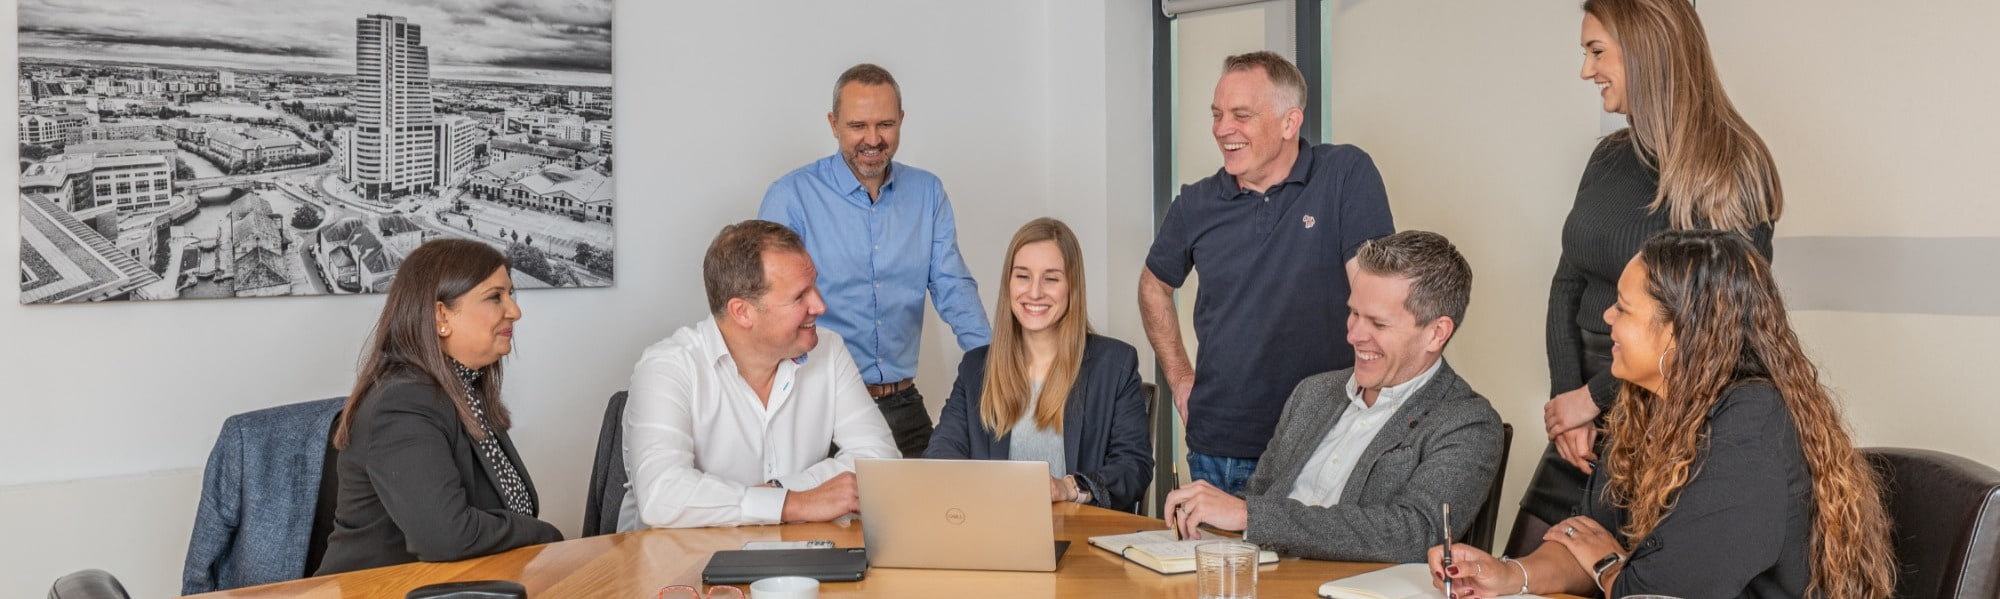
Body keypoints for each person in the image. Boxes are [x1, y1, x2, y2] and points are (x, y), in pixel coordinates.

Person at [1431, 230, 1893, 599]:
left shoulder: (1754, 422)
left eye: (1624, 309)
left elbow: (1656, 591)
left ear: (1679, 332)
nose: (1607, 317)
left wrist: (1611, 565)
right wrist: (1508, 575)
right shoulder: (1647, 404)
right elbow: (1584, 538)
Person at [1524, 0, 1785, 551]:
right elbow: (1567, 281)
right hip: (1583, 421)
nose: (1586, 70)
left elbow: (1715, 327)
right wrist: (1567, 402)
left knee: (1623, 575)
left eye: (1597, 52)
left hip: (1662, 411)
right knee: (1516, 570)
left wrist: (1593, 399)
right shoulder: (1607, 156)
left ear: (1645, 51)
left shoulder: (1731, 167)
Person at [1140, 51, 1394, 494]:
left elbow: (1374, 291)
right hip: (1222, 448)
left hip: (1325, 439)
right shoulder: (1194, 204)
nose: (1222, 129)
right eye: (1217, 115)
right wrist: (1180, 378)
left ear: (1290, 122)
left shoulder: (1343, 174)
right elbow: (1153, 286)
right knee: (1222, 567)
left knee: (1322, 566)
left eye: (1242, 115)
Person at [1162, 231, 1500, 562]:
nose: (1353, 335)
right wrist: (1205, 514)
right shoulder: (1313, 393)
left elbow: (1414, 533)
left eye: (1378, 324)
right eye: (1353, 313)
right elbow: (1259, 497)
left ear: (1436, 333)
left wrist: (1250, 516)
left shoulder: (1466, 422)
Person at [759, 63, 990, 459]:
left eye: (885, 125)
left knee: (932, 509)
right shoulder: (790, 197)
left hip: (900, 403)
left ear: (901, 120)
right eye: (857, 126)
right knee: (820, 520)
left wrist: (995, 367)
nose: (872, 139)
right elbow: (769, 305)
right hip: (818, 402)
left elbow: (953, 286)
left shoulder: (927, 193)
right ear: (833, 124)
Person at [619, 220, 900, 530]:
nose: (819, 305)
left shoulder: (829, 350)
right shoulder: (667, 367)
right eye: (799, 297)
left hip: (791, 557)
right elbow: (662, 496)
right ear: (742, 312)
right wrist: (795, 502)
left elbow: (881, 462)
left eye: (814, 287)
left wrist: (777, 492)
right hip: (677, 566)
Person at [318, 239, 562, 574]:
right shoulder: (401, 404)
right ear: (440, 315)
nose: (514, 311)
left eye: (511, 295)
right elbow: (447, 536)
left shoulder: (463, 388)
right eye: (495, 297)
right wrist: (547, 534)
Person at [925, 218, 1153, 512]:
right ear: (1008, 283)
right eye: (1023, 276)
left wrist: (1068, 488)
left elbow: (1133, 468)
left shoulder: (1115, 365)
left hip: (1082, 540)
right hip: (995, 539)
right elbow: (942, 453)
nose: (1034, 293)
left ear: (1072, 287)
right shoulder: (975, 368)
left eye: (1051, 278)